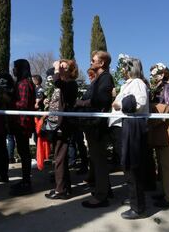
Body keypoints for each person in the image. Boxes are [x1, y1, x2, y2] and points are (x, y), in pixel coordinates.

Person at [110, 57, 149, 219]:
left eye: (124, 68)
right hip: (124, 127)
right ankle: (134, 200)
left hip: (131, 127)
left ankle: (138, 207)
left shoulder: (138, 83)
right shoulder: (130, 84)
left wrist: (120, 104)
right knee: (129, 167)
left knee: (133, 167)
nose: (122, 71)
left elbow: (139, 104)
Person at [77, 50, 114, 208]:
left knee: (99, 160)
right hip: (92, 124)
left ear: (102, 63)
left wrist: (83, 103)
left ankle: (101, 197)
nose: (91, 62)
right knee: (97, 159)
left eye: (94, 60)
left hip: (97, 125)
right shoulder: (99, 78)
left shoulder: (105, 78)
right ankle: (106, 190)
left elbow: (102, 99)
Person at [44, 59, 78, 200]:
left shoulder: (70, 83)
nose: (60, 68)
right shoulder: (63, 84)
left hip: (63, 125)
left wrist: (58, 68)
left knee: (59, 158)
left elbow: (58, 82)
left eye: (64, 67)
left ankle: (60, 191)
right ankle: (65, 187)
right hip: (55, 124)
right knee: (60, 158)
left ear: (70, 71)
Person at [149, 63, 169, 208]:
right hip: (160, 128)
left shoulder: (168, 88)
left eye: (154, 74)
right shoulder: (158, 88)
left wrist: (155, 111)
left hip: (168, 128)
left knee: (168, 164)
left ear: (161, 75)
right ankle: (165, 192)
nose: (152, 77)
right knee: (162, 164)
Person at [9, 59, 36, 196]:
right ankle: (25, 180)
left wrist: (10, 103)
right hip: (21, 122)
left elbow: (23, 104)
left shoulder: (24, 84)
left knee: (24, 152)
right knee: (23, 151)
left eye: (15, 67)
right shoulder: (22, 83)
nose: (13, 70)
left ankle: (26, 183)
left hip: (22, 123)